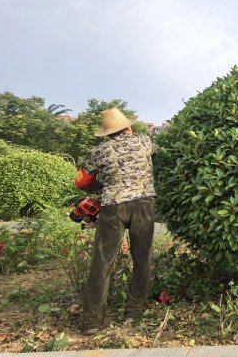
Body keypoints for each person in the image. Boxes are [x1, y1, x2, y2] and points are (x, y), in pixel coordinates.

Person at [75, 107, 158, 334]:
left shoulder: (99, 151)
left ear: (107, 132)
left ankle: (91, 323)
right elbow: (157, 156)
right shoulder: (144, 142)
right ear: (128, 127)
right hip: (143, 205)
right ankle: (133, 313)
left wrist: (101, 185)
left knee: (102, 263)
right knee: (142, 260)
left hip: (113, 207)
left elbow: (81, 182)